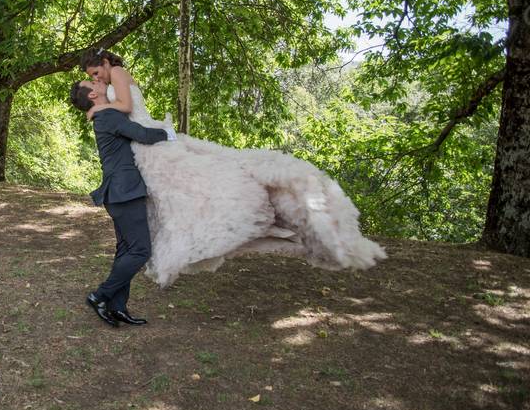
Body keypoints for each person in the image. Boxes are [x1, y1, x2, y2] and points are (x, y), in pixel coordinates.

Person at [80, 49, 387, 288]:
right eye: (93, 77)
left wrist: (101, 106)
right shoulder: (106, 83)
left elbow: (127, 107)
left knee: (190, 179)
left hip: (143, 134)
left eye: (97, 72)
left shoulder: (117, 71)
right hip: (137, 141)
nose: (98, 78)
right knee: (173, 191)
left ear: (106, 62)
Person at [69, 78, 174, 327]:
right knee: (140, 251)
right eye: (92, 82)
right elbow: (142, 135)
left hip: (121, 194)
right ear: (93, 95)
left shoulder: (105, 114)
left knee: (126, 250)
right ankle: (100, 295)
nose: (98, 81)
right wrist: (172, 134)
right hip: (124, 193)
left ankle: (117, 307)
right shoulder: (107, 117)